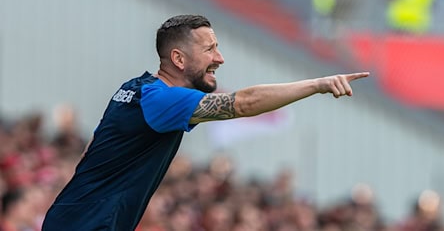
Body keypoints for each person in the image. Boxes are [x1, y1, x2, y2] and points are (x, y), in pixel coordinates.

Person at [41, 14, 369, 230]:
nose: (220, 58)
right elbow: (246, 103)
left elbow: (90, 151)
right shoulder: (160, 100)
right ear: (179, 59)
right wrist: (317, 84)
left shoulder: (134, 88)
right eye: (209, 50)